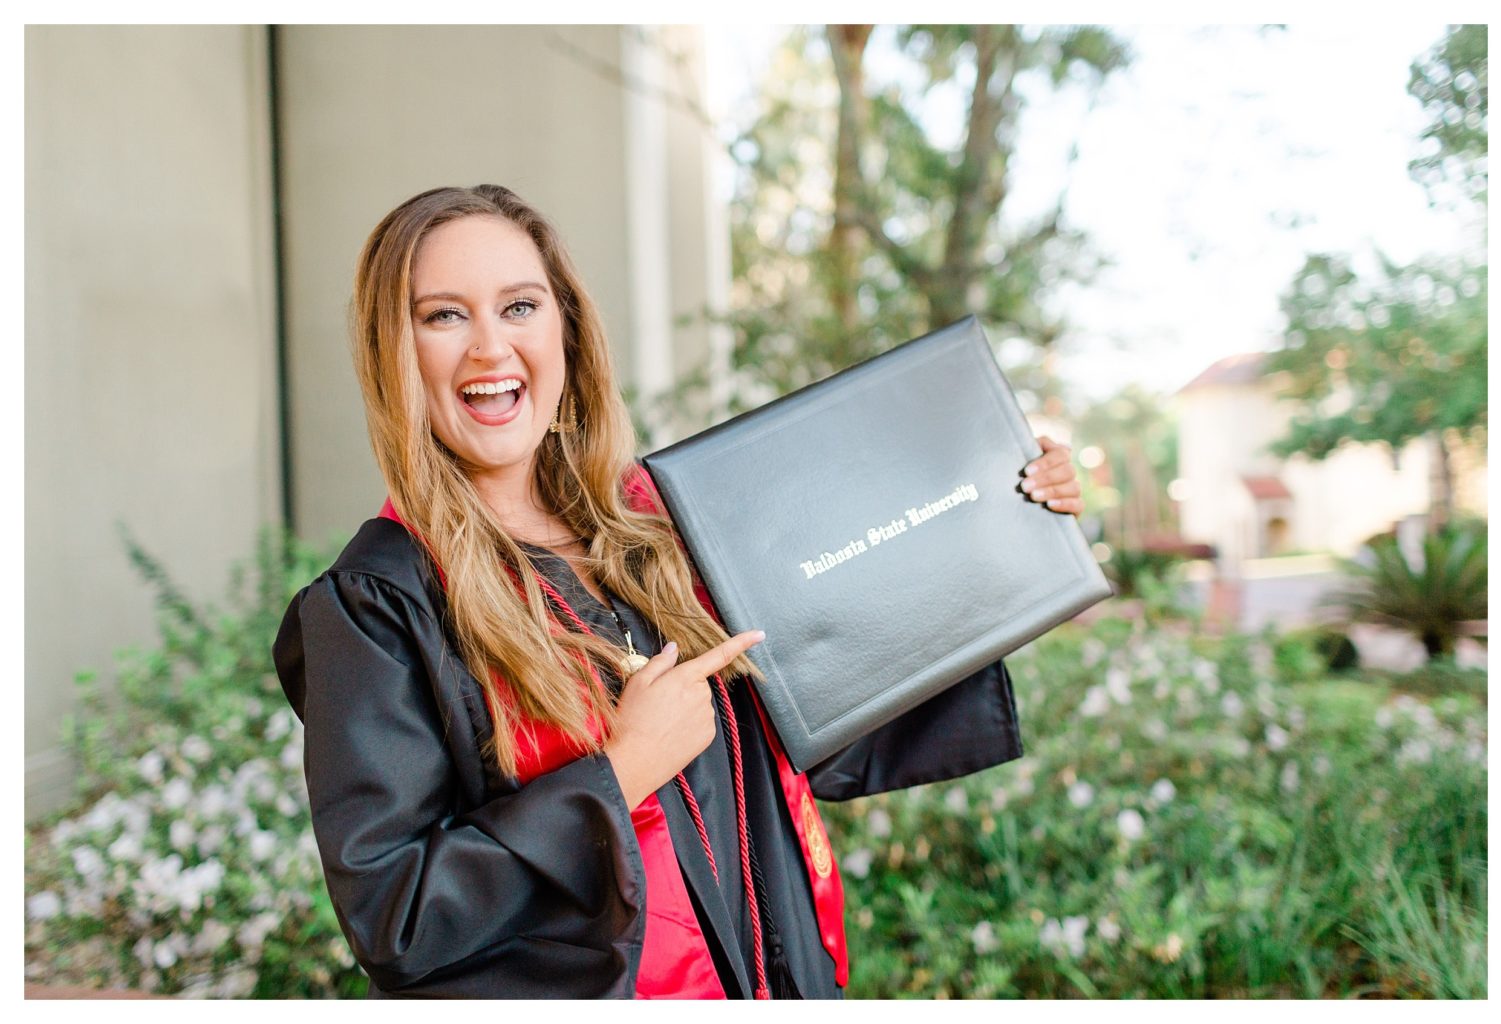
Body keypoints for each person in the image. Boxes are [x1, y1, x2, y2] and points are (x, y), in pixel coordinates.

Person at [273, 184, 1085, 999]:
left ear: (566, 329)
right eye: (443, 316)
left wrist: (1008, 518)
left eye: (520, 306)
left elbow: (829, 687)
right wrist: (620, 773)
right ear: (396, 352)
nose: (491, 348)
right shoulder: (377, 607)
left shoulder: (664, 526)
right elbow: (397, 915)